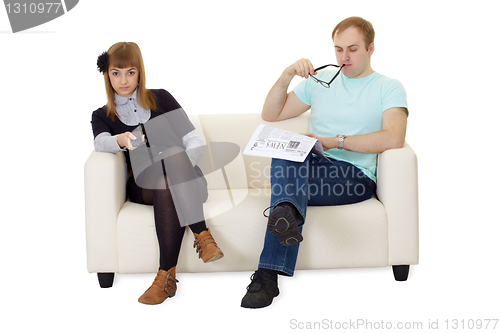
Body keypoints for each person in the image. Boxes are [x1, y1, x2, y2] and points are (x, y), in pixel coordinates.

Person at [241, 17, 408, 308]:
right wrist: (286, 75)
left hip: (354, 176)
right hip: (313, 169)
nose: (344, 57)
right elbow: (271, 113)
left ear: (371, 49)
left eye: (353, 49)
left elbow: (394, 137)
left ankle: (267, 275)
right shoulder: (320, 83)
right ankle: (284, 218)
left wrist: (335, 142)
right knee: (287, 151)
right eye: (338, 49)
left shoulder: (388, 87)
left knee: (284, 196)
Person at [91, 42, 224, 305]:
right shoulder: (102, 115)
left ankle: (165, 278)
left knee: (173, 160)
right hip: (143, 184)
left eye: (130, 72)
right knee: (164, 173)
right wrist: (121, 139)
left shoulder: (161, 98)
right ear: (107, 74)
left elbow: (194, 141)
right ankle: (203, 236)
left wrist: (180, 167)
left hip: (187, 180)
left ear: (140, 72)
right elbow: (100, 143)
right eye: (116, 73)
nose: (123, 80)